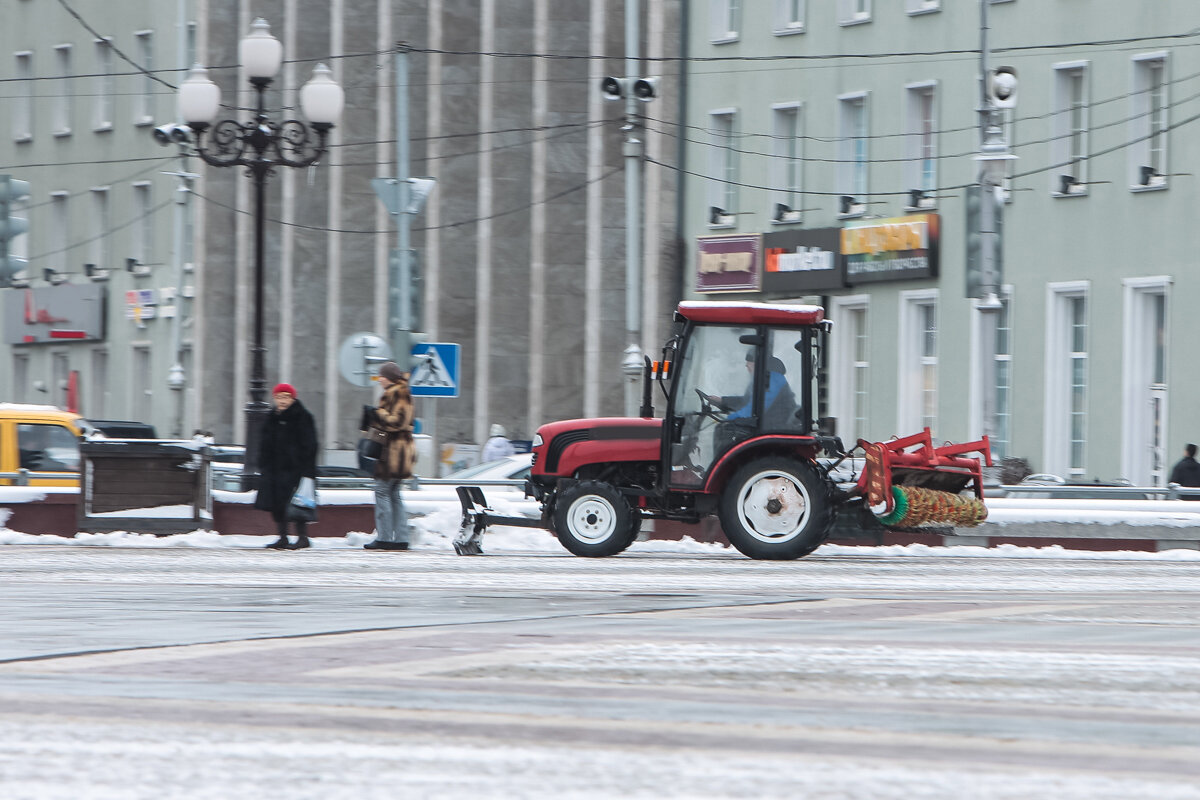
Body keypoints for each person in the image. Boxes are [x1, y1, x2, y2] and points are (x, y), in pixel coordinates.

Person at [254, 383, 319, 550]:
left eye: (286, 397)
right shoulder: (271, 418)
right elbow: (264, 443)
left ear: (293, 398)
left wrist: (306, 469)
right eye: (279, 397)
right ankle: (283, 537)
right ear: (274, 398)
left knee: (297, 504)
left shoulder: (302, 416)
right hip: (274, 469)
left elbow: (310, 444)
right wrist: (263, 463)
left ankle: (303, 537)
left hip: (295, 469)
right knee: (276, 503)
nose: (282, 400)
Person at [364, 361, 417, 551]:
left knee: (382, 492)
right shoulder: (401, 391)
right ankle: (401, 538)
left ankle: (385, 537)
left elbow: (398, 422)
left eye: (382, 377)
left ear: (390, 378)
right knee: (394, 494)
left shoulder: (397, 393)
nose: (380, 380)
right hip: (399, 451)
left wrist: (377, 414)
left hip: (393, 452)